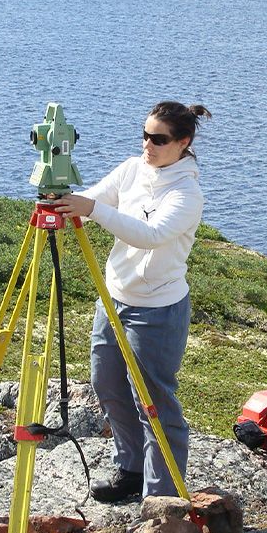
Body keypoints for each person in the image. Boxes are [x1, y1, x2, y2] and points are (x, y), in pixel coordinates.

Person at [54, 101, 211, 502]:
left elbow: (150, 234)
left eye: (158, 139)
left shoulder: (186, 192)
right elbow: (96, 200)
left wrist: (92, 209)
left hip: (157, 309)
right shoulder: (131, 169)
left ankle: (163, 496)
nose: (148, 145)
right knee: (106, 383)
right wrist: (64, 205)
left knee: (153, 400)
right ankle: (130, 467)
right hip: (113, 299)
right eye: (144, 135)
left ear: (183, 142)